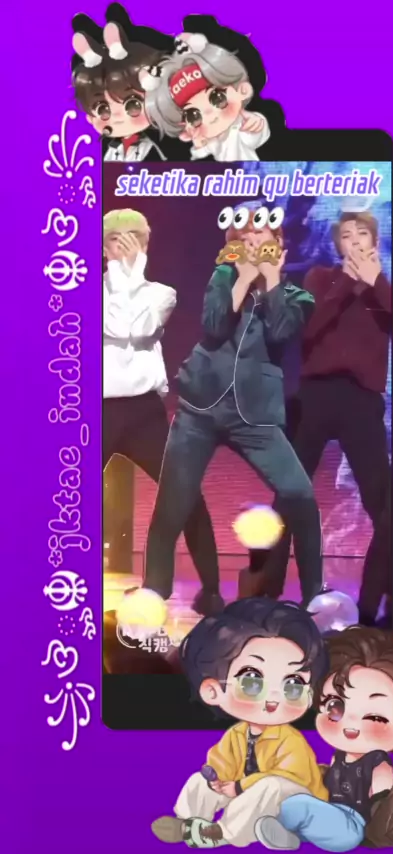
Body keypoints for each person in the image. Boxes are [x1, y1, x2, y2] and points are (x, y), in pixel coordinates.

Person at [143, 203, 324, 608]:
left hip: (255, 417)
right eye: (246, 236)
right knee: (172, 504)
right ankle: (154, 593)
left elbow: (280, 332)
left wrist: (271, 279)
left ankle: (315, 594)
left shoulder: (297, 296)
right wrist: (241, 280)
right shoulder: (223, 277)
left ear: (278, 244)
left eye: (262, 235)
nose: (254, 241)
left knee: (300, 494)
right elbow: (213, 326)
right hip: (200, 409)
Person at [244, 212, 392, 627]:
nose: (355, 240)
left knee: (385, 504)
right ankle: (266, 592)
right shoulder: (320, 279)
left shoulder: (383, 289)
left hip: (362, 401)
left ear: (374, 241)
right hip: (316, 397)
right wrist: (348, 282)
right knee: (289, 493)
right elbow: (309, 329)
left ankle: (374, 605)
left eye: (362, 233)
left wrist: (376, 283)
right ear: (337, 244)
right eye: (346, 235)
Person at [103, 208, 222, 616]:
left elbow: (135, 329)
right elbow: (114, 325)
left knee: (186, 491)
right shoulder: (86, 291)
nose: (127, 248)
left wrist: (132, 274)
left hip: (144, 413)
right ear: (104, 249)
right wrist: (121, 274)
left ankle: (211, 591)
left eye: (135, 239)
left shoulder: (161, 293)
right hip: (96, 413)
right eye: (118, 240)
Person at [255, 626, 393, 851]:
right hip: (324, 816)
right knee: (289, 795)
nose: (349, 723)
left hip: (351, 826)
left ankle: (284, 829)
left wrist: (392, 837)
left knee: (302, 805)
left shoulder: (378, 764)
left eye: (375, 717)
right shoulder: (338, 757)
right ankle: (286, 835)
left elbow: (383, 803)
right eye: (335, 706)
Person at [151, 598, 329, 848]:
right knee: (201, 781)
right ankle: (187, 821)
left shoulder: (291, 741)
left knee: (270, 786)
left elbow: (289, 777)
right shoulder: (237, 734)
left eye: (293, 684)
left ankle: (220, 834)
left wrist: (240, 786)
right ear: (212, 690)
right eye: (252, 681)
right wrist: (216, 778)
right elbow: (223, 761)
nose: (274, 698)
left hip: (297, 804)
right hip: (249, 796)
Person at [139, 33, 271, 161]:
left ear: (243, 90)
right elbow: (200, 154)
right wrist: (199, 143)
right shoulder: (210, 138)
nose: (209, 114)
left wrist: (255, 126)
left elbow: (256, 137)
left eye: (218, 98)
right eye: (193, 116)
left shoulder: (241, 125)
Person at [72, 21, 170, 161]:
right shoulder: (106, 149)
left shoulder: (161, 146)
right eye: (102, 110)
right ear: (90, 117)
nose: (117, 116)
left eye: (133, 105)